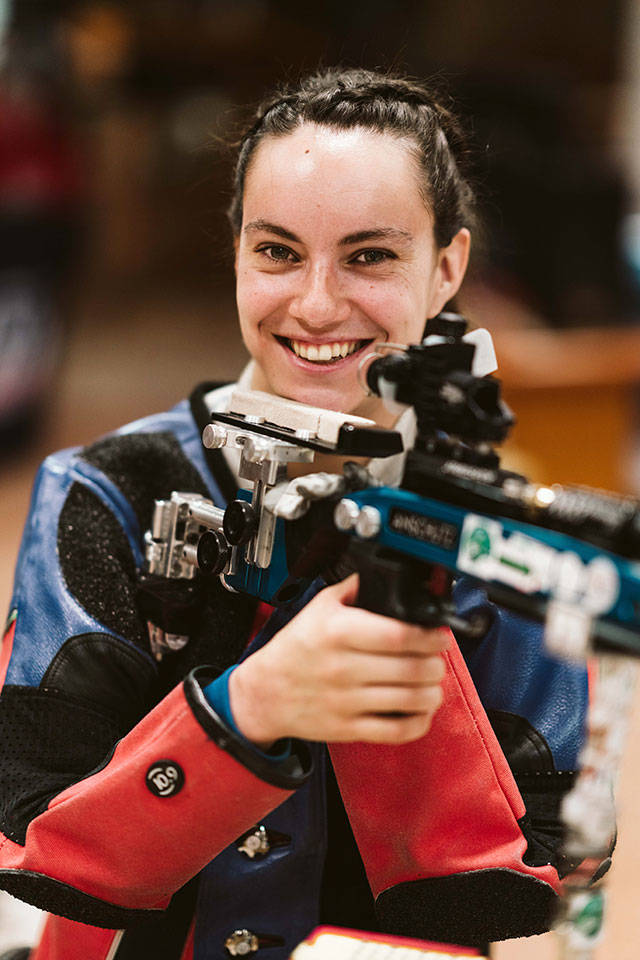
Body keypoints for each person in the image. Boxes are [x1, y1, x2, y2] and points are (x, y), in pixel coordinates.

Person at [0, 69, 591, 960]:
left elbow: (525, 888)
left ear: (448, 268)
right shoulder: (107, 488)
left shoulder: (522, 542)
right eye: (277, 251)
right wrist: (248, 710)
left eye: (370, 256)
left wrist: (403, 619)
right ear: (236, 250)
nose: (316, 305)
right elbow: (38, 849)